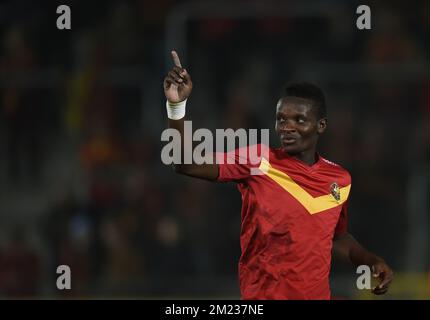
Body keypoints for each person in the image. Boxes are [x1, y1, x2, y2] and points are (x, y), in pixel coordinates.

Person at [163, 51, 394, 299]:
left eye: (299, 119)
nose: (287, 126)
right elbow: (184, 163)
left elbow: (337, 237)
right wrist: (176, 105)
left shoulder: (339, 179)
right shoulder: (258, 161)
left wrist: (370, 260)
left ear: (321, 125)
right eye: (281, 119)